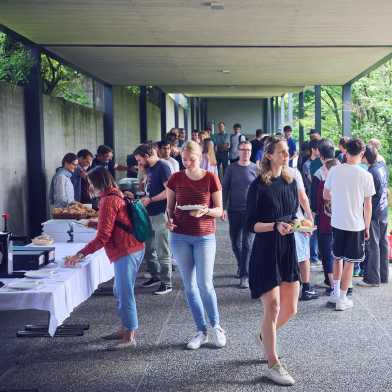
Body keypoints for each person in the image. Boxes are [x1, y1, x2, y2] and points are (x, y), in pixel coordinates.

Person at [65, 166, 145, 349]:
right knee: (120, 291)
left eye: (91, 183)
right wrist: (94, 223)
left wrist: (80, 254)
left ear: (99, 183)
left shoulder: (108, 201)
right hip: (133, 247)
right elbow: (114, 223)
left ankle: (129, 337)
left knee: (125, 294)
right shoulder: (115, 194)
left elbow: (103, 237)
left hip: (126, 250)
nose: (89, 188)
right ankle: (125, 328)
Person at [246, 136, 299, 386]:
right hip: (266, 249)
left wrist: (299, 224)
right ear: (268, 155)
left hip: (287, 247)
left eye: (287, 151)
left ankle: (264, 336)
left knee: (291, 309)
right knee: (274, 307)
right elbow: (251, 225)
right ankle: (273, 363)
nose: (286, 155)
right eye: (281, 151)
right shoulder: (258, 186)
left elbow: (293, 214)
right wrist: (275, 225)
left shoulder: (291, 181)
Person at [166, 141, 226, 350]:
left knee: (205, 284)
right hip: (180, 236)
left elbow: (219, 210)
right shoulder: (176, 178)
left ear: (200, 157)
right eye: (184, 159)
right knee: (189, 287)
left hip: (204, 236)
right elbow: (170, 209)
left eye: (192, 159)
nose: (188, 163)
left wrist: (206, 211)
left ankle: (216, 326)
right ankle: (201, 331)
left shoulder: (211, 178)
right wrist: (169, 221)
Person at [324, 138, 375, 311]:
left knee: (337, 257)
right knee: (350, 262)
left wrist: (339, 198)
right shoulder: (366, 175)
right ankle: (342, 299)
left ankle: (335, 292)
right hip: (356, 224)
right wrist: (367, 226)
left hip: (337, 221)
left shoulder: (334, 170)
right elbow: (368, 205)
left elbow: (326, 194)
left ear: (345, 151)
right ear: (362, 154)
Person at [134, 144, 173, 295]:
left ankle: (166, 282)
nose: (139, 163)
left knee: (162, 249)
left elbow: (169, 191)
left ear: (147, 155)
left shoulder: (163, 167)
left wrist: (150, 199)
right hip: (148, 212)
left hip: (159, 212)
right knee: (149, 248)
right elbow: (147, 187)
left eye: (139, 160)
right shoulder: (149, 167)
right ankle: (156, 276)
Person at [222, 141, 257, 288]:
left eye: (248, 150)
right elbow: (225, 189)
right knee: (235, 242)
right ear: (238, 151)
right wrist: (223, 207)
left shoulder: (256, 168)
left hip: (250, 211)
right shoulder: (231, 168)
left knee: (247, 244)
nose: (246, 152)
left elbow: (260, 190)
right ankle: (241, 264)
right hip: (234, 210)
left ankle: (244, 275)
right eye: (243, 150)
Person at [358, 145, 389, 287]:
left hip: (374, 213)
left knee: (373, 245)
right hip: (383, 211)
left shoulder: (370, 173)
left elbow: (368, 198)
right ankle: (383, 275)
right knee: (382, 243)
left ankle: (373, 279)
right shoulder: (382, 168)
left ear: (365, 156)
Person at [311, 141, 338, 292]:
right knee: (341, 252)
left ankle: (331, 283)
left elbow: (314, 202)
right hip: (343, 218)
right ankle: (345, 284)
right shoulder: (344, 169)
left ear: (320, 155)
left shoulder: (319, 174)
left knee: (327, 252)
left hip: (325, 219)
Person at [289, 166, 318, 301]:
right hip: (296, 219)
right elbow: (302, 197)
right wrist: (309, 216)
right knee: (303, 255)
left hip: (274, 221)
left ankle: (285, 288)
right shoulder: (293, 172)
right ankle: (306, 288)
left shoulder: (265, 173)